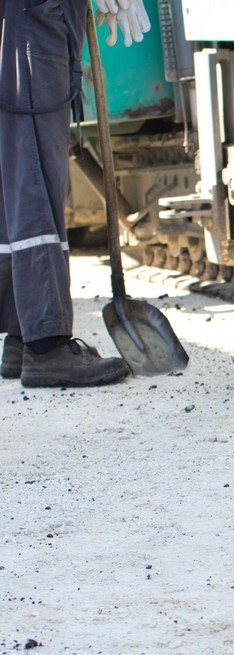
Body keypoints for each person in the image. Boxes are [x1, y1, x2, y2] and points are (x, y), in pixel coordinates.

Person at [0, 0, 150, 387]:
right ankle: (47, 346)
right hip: (31, 25)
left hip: (26, 23)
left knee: (17, 178)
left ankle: (22, 331)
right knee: (35, 182)